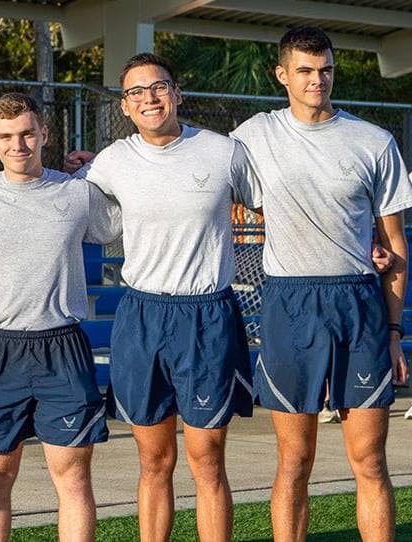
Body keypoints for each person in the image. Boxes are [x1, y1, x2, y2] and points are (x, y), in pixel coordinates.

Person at [230, 27, 412, 541]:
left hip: (358, 302)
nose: (318, 80)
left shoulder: (374, 142)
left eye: (326, 69)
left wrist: (396, 331)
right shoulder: (253, 136)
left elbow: (395, 246)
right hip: (290, 301)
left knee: (370, 460)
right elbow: (191, 173)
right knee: (295, 461)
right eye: (306, 71)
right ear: (282, 75)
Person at [77, 53, 258, 542]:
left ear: (177, 93)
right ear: (126, 105)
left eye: (158, 87)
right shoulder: (111, 161)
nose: (149, 99)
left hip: (207, 314)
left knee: (207, 460)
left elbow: (275, 202)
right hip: (143, 315)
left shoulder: (223, 152)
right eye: (137, 92)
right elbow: (64, 206)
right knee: (153, 460)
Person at [0, 92, 121, 542]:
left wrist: (103, 173)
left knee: (72, 478)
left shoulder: (76, 192)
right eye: (7, 136)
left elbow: (134, 214)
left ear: (44, 135)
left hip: (62, 346)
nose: (19, 145)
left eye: (28, 133)